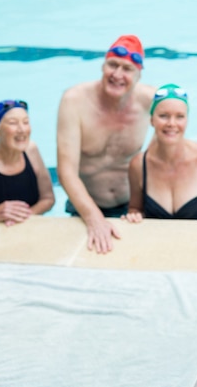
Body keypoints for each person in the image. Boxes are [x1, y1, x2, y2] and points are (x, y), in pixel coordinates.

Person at [56, 34, 156, 254]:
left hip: (133, 208)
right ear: (102, 66)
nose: (117, 74)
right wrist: (94, 218)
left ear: (139, 75)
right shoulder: (74, 101)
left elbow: (170, 149)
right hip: (85, 206)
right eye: (113, 65)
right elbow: (66, 170)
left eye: (127, 69)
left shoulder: (150, 101)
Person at [122, 83, 197, 227]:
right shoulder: (139, 165)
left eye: (179, 117)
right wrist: (135, 216)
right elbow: (136, 208)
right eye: (163, 116)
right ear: (151, 120)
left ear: (187, 120)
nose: (171, 123)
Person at [0, 100, 54, 226]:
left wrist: (22, 217)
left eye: (26, 122)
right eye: (13, 123)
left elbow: (48, 198)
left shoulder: (31, 150)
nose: (22, 129)